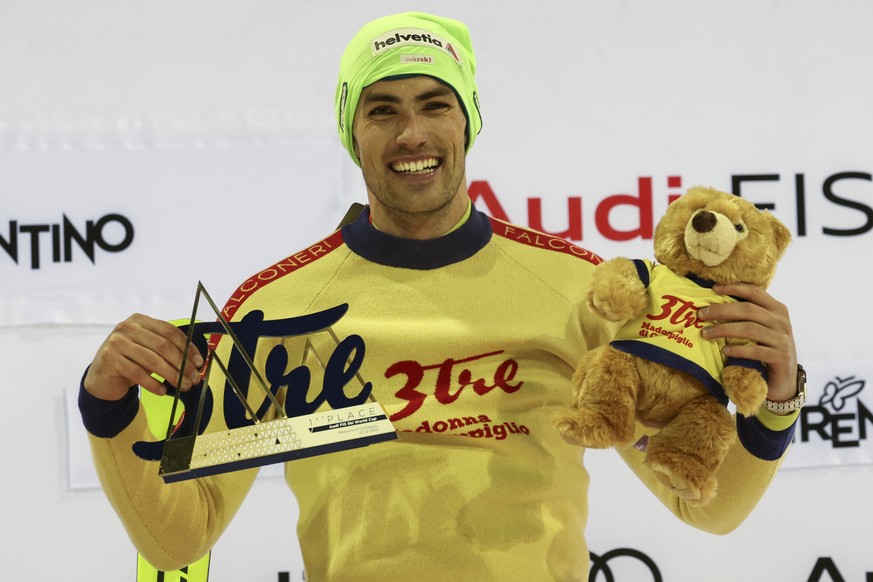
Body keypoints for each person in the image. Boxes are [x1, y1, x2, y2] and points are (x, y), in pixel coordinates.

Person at [79, 11, 802, 582]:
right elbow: (178, 536)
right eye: (382, 109)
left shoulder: (580, 291)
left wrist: (776, 403)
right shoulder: (275, 311)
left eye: (434, 104)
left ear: (468, 122)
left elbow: (704, 507)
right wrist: (106, 406)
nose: (413, 133)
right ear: (351, 131)